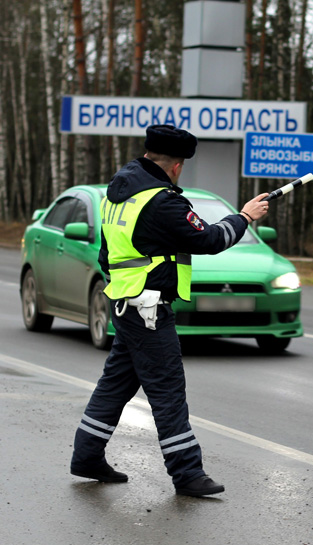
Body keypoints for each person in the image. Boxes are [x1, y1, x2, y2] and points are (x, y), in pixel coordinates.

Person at [70, 124, 270, 497]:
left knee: (115, 385)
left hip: (124, 300)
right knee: (168, 390)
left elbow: (107, 252)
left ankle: (86, 456)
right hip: (149, 309)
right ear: (177, 166)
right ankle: (187, 474)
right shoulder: (162, 200)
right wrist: (245, 216)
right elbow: (209, 239)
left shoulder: (117, 192)